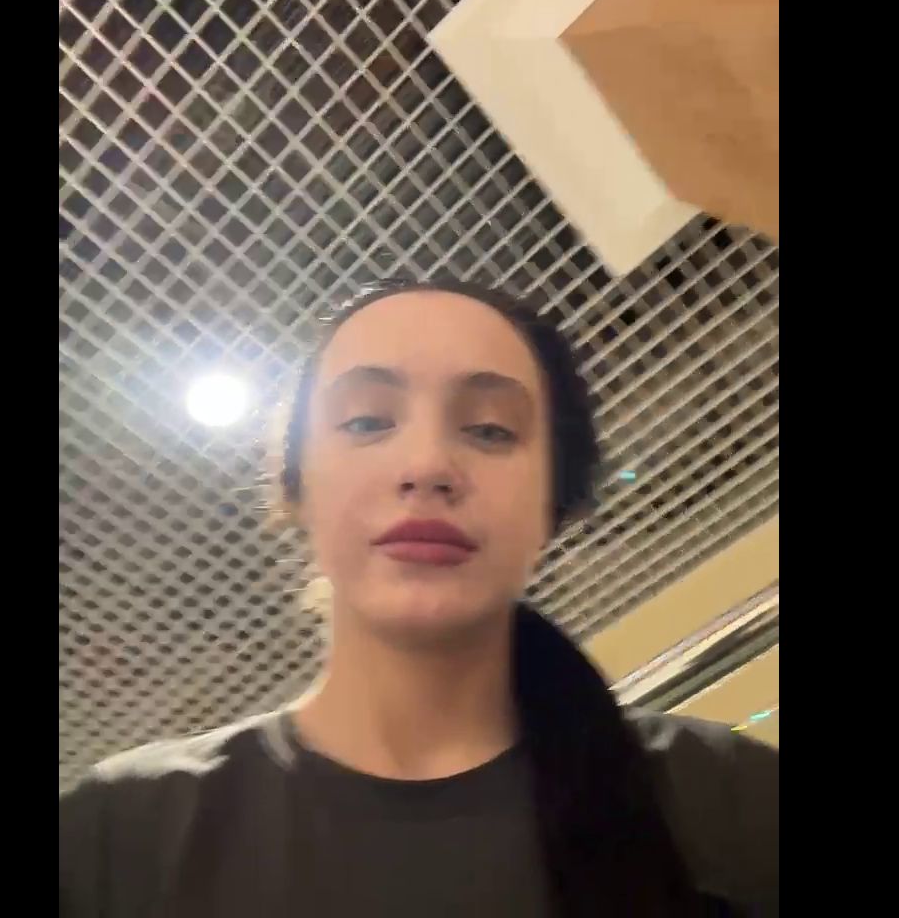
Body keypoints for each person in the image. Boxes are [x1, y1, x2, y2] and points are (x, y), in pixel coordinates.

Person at [59, 277, 779, 917]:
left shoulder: (725, 801)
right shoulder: (116, 838)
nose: (428, 464)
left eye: (491, 430)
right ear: (296, 487)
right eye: (368, 421)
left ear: (552, 507)